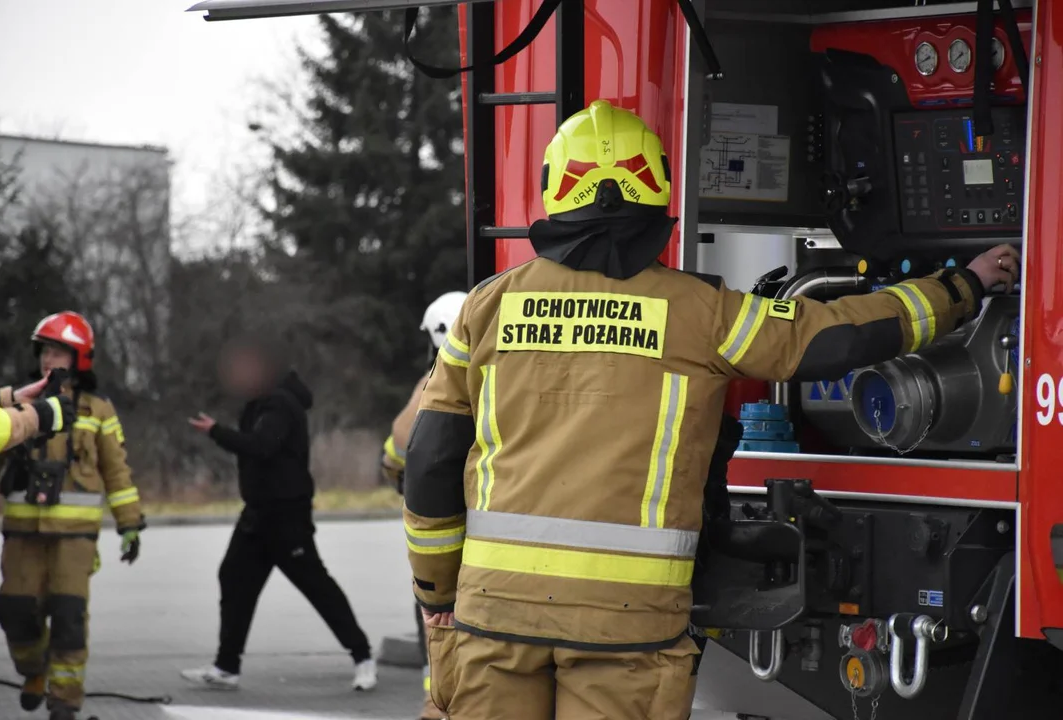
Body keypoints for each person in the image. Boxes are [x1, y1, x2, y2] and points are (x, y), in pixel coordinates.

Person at [401, 99, 1021, 720]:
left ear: (554, 192)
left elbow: (431, 458)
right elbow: (836, 335)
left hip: (494, 615)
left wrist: (436, 588)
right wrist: (960, 287)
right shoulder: (701, 312)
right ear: (658, 191)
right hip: (629, 626)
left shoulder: (485, 307)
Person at [183, 337, 377, 692]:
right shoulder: (260, 402)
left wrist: (216, 432)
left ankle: (363, 657)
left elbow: (262, 446)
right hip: (256, 516)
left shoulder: (278, 404)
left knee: (317, 587)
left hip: (286, 519)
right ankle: (227, 667)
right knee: (234, 578)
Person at [0, 312, 145, 720]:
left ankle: (64, 705)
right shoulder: (20, 406)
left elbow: (117, 470)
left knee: (70, 619)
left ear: (80, 358)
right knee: (15, 611)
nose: (48, 359)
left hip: (75, 538)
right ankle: (33, 671)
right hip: (22, 533)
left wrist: (129, 523)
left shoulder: (97, 410)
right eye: (45, 350)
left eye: (58, 351)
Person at [380, 290, 466, 720]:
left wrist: (394, 469)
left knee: (438, 621)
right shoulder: (508, 371)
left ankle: (438, 705)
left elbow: (399, 446)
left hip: (444, 537)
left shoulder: (436, 382)